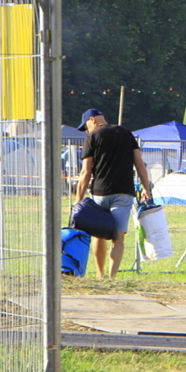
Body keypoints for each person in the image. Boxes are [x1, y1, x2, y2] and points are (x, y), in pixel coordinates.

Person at [74, 108, 153, 278]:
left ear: (92, 120)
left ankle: (100, 275)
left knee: (98, 234)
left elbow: (85, 171)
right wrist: (146, 187)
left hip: (100, 193)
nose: (86, 130)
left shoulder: (92, 136)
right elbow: (139, 163)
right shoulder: (126, 133)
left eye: (86, 126)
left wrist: (78, 200)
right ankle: (112, 277)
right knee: (118, 237)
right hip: (124, 192)